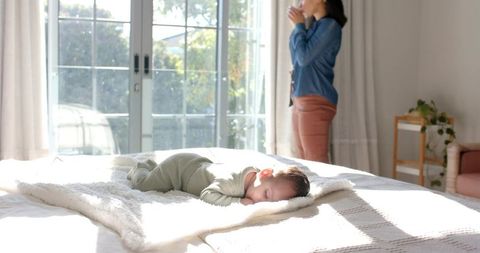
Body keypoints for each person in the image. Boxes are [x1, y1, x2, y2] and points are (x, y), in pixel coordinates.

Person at [127, 153, 310, 206]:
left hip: (198, 165)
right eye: (266, 194)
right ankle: (142, 167)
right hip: (179, 169)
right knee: (144, 186)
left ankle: (153, 168)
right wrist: (238, 202)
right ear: (264, 174)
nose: (262, 202)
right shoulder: (233, 184)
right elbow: (207, 194)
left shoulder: (255, 180)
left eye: (271, 202)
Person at [288, 0, 347, 163]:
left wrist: (299, 27)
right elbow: (296, 59)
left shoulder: (330, 26)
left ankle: (326, 189)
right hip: (299, 97)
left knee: (316, 161)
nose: (301, 2)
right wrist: (297, 27)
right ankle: (308, 190)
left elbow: (304, 58)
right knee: (302, 161)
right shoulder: (313, 27)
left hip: (315, 99)